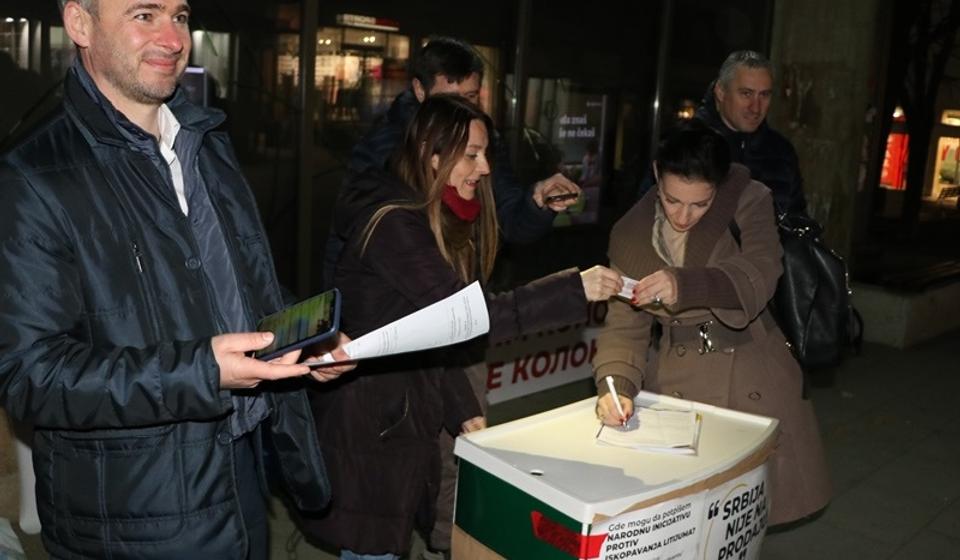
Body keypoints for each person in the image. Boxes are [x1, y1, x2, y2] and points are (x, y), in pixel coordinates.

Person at [0, 1, 352, 558]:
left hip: (240, 465)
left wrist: (301, 337)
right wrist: (202, 371)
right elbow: (29, 376)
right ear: (80, 24)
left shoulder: (204, 139)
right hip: (133, 514)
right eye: (144, 15)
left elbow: (241, 281)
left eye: (181, 16)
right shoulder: (32, 176)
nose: (172, 38)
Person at [299, 95, 622, 560]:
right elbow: (465, 318)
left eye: (485, 153)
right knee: (372, 550)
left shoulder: (435, 218)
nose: (485, 167)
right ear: (432, 155)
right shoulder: (397, 226)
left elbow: (430, 334)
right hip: (371, 429)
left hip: (397, 416)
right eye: (471, 154)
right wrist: (572, 289)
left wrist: (461, 407)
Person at [592, 121, 831, 527]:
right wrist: (615, 385)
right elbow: (624, 327)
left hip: (750, 371)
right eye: (671, 201)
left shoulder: (750, 201)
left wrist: (684, 285)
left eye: (700, 205)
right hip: (676, 385)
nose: (683, 216)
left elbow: (759, 273)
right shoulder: (631, 234)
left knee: (739, 525)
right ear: (656, 175)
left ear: (718, 188)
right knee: (683, 524)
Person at [695, 50, 807, 215]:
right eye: (746, 94)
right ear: (720, 92)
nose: (756, 107)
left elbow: (796, 219)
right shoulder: (684, 144)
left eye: (764, 95)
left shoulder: (781, 152)